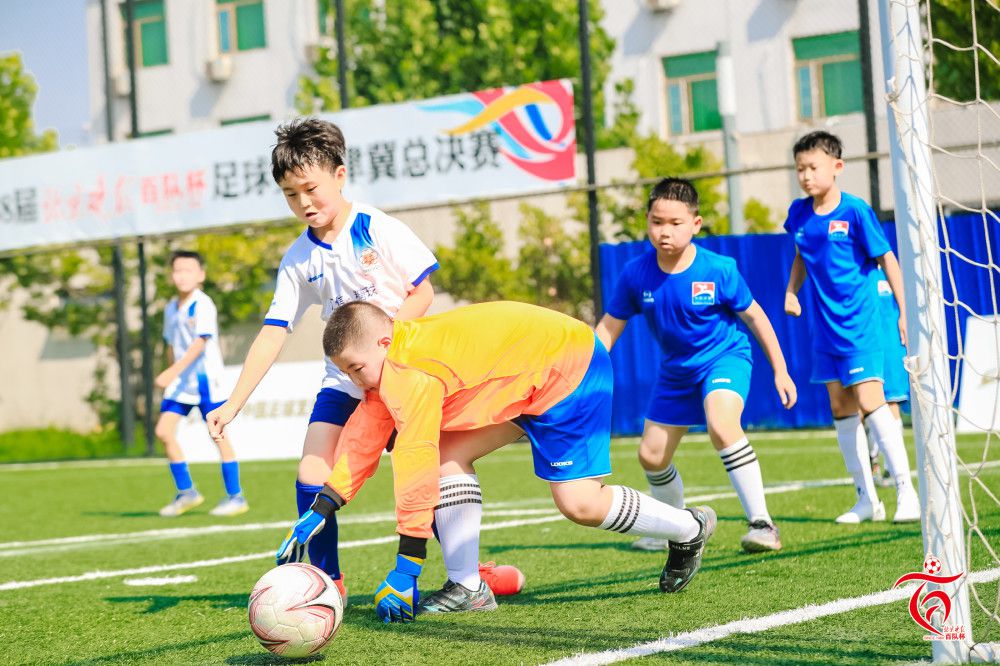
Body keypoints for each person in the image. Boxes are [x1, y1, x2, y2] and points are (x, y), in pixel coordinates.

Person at [276, 300, 718, 623]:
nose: (354, 380)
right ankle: (469, 587)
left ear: (384, 341)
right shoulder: (391, 364)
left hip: (569, 369)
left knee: (578, 503)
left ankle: (690, 529)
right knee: (450, 457)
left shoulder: (409, 372)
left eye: (356, 368)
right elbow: (363, 438)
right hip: (529, 376)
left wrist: (407, 566)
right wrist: (323, 505)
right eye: (347, 372)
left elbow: (412, 462)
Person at [206, 117, 439, 601]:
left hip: (398, 374)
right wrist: (234, 403)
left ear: (339, 174)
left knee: (427, 477)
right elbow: (273, 333)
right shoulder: (297, 259)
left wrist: (387, 343)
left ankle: (470, 570)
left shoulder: (377, 228)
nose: (304, 203)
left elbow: (423, 290)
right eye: (291, 195)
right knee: (312, 471)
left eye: (310, 189)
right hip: (343, 382)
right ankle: (326, 584)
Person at [595, 177, 796, 554]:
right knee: (651, 456)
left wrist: (780, 370)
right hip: (676, 372)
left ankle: (763, 524)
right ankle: (674, 528)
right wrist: (583, 368)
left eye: (675, 223)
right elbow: (608, 328)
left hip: (726, 358)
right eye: (657, 222)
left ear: (696, 225)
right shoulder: (635, 274)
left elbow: (755, 318)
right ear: (647, 221)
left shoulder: (719, 269)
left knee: (722, 425)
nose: (664, 231)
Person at [783, 130, 919, 524]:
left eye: (813, 167)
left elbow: (888, 259)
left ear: (837, 167)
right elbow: (801, 256)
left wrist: (903, 311)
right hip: (824, 331)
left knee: (873, 404)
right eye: (800, 169)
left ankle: (906, 493)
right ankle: (866, 499)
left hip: (861, 326)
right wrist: (791, 291)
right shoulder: (799, 214)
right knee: (841, 410)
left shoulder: (855, 211)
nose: (806, 176)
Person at [155, 250, 247, 517]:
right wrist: (172, 371)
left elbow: (200, 343)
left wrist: (172, 371)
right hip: (182, 384)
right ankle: (187, 492)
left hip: (206, 382)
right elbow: (172, 343)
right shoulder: (171, 308)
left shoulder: (203, 304)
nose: (182, 276)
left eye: (188, 270)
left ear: (201, 275)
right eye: (177, 270)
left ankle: (236, 497)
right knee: (163, 431)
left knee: (217, 435)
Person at [868, 267, 909, 487]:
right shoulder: (858, 274)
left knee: (892, 402)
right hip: (867, 348)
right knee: (868, 406)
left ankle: (893, 467)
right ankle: (871, 460)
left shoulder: (892, 273)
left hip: (892, 347)